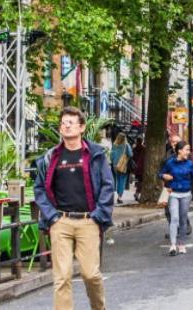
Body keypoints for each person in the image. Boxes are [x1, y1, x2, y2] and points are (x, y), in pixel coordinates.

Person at [32, 106, 114, 310]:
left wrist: (98, 215)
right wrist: (51, 217)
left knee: (90, 274)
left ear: (82, 127)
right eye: (63, 123)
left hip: (88, 220)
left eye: (71, 122)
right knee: (61, 278)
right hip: (61, 221)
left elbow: (107, 185)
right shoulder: (51, 157)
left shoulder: (95, 154)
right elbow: (39, 188)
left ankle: (99, 307)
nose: (66, 126)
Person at [160, 140, 193, 256]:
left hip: (186, 194)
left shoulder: (190, 163)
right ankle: (173, 245)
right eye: (187, 150)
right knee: (174, 218)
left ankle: (182, 244)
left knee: (183, 219)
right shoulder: (170, 162)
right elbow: (161, 173)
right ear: (180, 151)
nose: (189, 152)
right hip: (173, 193)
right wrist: (164, 176)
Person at [111, 132, 132, 204]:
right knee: (122, 181)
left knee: (117, 179)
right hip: (123, 165)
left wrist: (113, 161)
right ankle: (120, 197)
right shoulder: (126, 145)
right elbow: (130, 154)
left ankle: (118, 193)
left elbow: (111, 155)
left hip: (115, 165)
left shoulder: (114, 145)